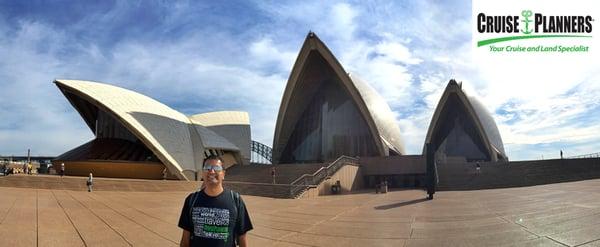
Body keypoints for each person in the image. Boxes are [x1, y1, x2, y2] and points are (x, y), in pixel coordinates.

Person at [178, 155, 253, 247]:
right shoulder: (191, 200)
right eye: (207, 168)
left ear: (223, 174)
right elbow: (185, 240)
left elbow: (242, 239)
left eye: (216, 168)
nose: (211, 171)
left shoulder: (236, 200)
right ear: (202, 173)